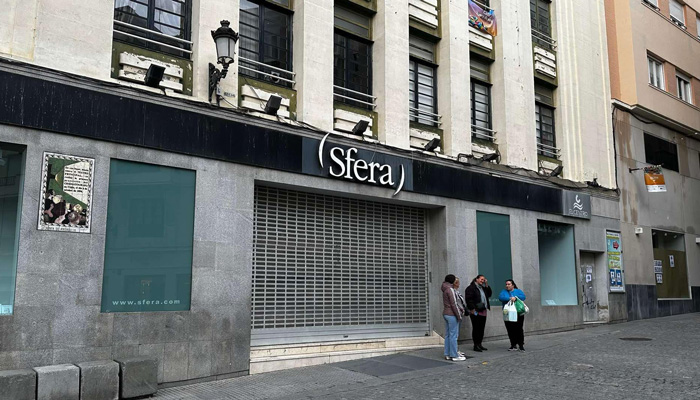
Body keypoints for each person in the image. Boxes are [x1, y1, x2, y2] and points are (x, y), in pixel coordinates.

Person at [465, 275, 492, 352]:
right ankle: (476, 345)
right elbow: (468, 299)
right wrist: (472, 309)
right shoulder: (471, 288)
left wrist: (486, 285)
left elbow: (489, 294)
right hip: (475, 311)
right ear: (476, 279)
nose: (482, 281)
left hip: (483, 310)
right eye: (481, 279)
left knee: (481, 328)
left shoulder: (483, 288)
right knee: (476, 328)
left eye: (483, 280)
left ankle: (480, 344)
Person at [442, 274, 466, 361]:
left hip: (446, 313)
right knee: (453, 335)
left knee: (448, 335)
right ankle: (454, 355)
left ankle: (447, 353)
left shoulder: (445, 288)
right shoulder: (450, 290)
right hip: (452, 314)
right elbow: (454, 304)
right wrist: (459, 316)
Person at [499, 279, 527, 352]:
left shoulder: (518, 291)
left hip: (518, 313)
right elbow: (501, 298)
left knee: (519, 329)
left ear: (513, 285)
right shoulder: (504, 291)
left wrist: (515, 298)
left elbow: (523, 297)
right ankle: (513, 344)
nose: (507, 286)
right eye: (506, 284)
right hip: (508, 313)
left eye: (509, 284)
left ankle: (521, 345)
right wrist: (509, 298)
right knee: (510, 329)